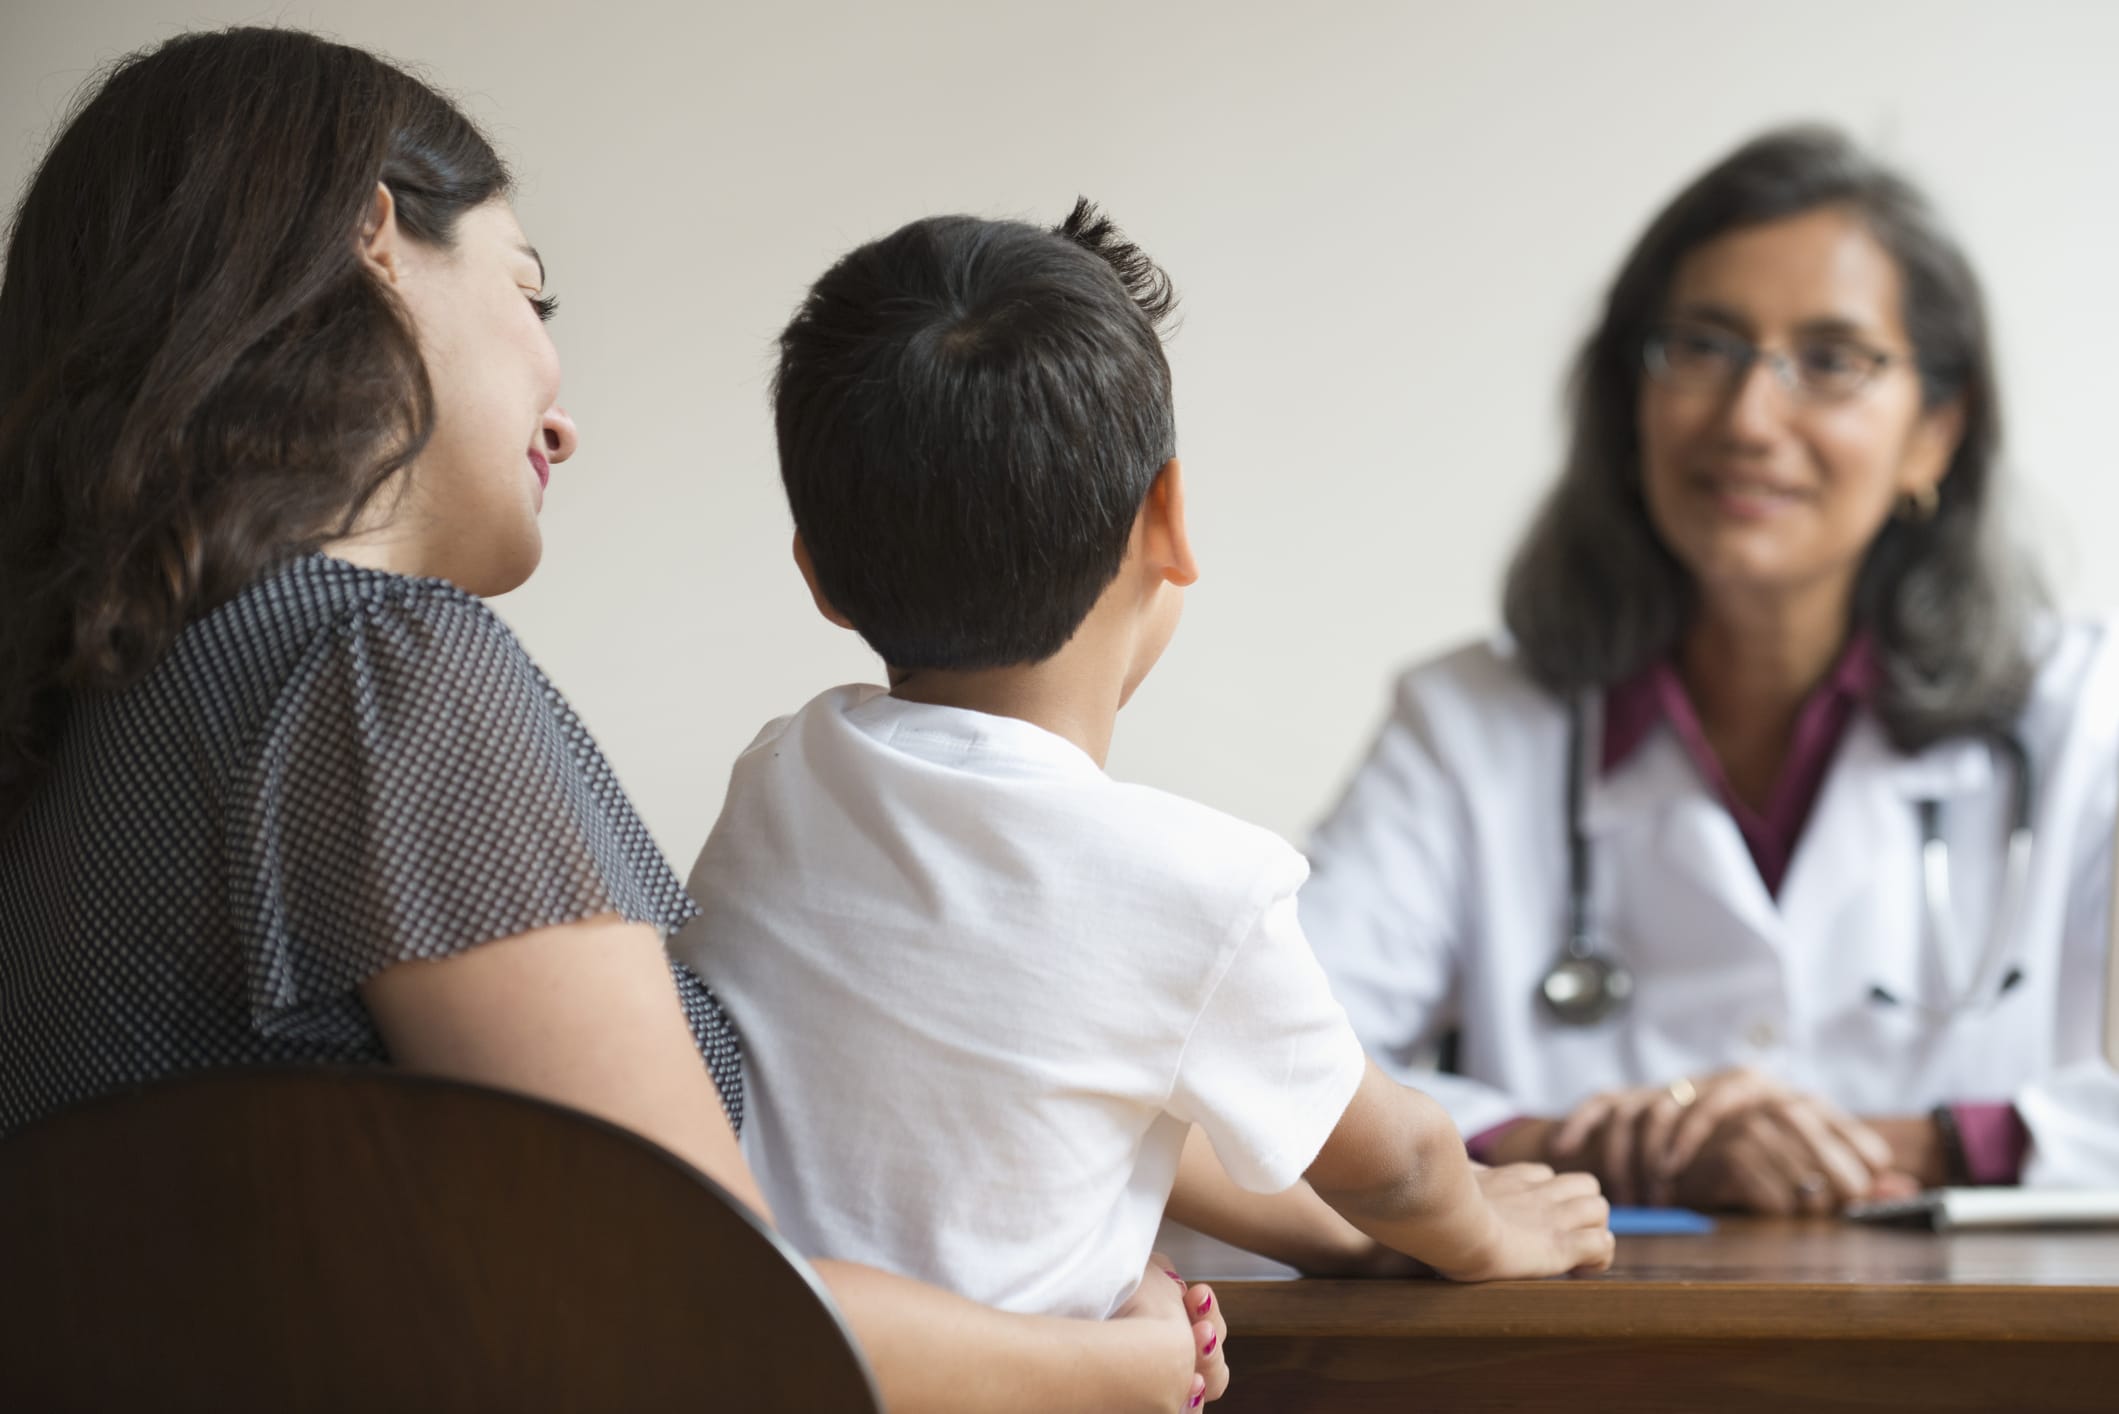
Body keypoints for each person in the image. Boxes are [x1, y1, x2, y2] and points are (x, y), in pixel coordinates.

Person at [0, 29, 1226, 1411]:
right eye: (532, 292)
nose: (564, 415)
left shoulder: (85, 737)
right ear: (373, 240)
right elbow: (691, 1303)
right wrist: (1113, 1364)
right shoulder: (378, 672)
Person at [673, 200, 1613, 1317]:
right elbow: (1397, 1159)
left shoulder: (783, 780)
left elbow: (1145, 1095)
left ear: (817, 574)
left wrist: (1350, 1240)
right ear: (1167, 516)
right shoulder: (1191, 889)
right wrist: (1485, 1234)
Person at [1299, 126, 2119, 1213]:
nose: (1748, 418)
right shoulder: (1464, 725)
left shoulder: (2083, 711)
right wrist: (1592, 1145)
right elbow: (1277, 1064)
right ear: (1628, 395)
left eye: (1829, 361)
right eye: (1702, 347)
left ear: (1933, 432)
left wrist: (1913, 1147)